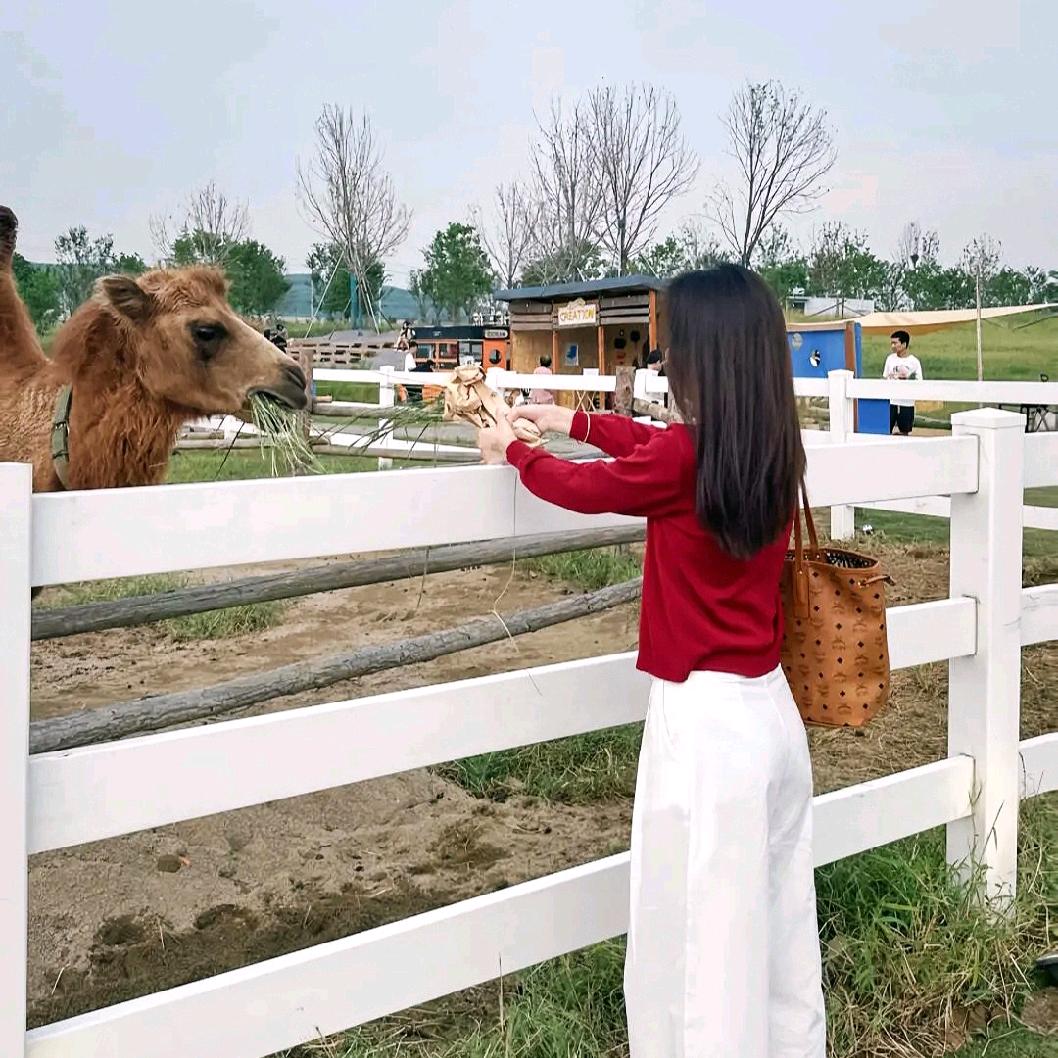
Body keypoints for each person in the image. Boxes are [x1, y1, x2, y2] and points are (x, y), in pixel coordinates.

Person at [477, 265, 825, 1057]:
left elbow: (586, 490)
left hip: (704, 727)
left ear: (709, 362)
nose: (668, 361)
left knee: (698, 948)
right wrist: (572, 418)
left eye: (680, 349)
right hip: (769, 715)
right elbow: (656, 447)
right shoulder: (771, 450)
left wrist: (515, 450)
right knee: (773, 939)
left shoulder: (686, 464)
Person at [883, 329, 923, 435]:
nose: (893, 346)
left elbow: (919, 382)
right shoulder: (890, 359)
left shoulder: (914, 362)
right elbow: (885, 377)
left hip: (907, 402)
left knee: (904, 431)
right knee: (885, 430)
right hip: (891, 402)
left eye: (895, 343)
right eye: (892, 343)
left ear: (904, 344)